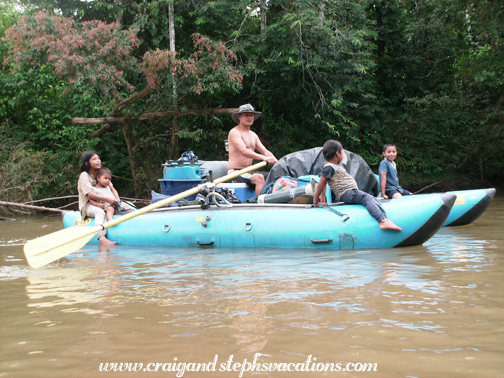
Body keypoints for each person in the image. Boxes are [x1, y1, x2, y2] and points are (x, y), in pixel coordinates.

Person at [313, 140, 402, 231]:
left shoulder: (332, 167)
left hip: (350, 193)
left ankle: (384, 218)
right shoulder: (329, 167)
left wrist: (323, 200)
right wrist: (316, 201)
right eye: (343, 152)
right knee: (367, 198)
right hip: (348, 193)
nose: (343, 156)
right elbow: (321, 184)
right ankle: (382, 221)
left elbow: (324, 184)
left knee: (372, 198)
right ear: (337, 154)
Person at [227, 103, 278, 196]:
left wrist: (278, 164)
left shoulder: (253, 135)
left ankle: (275, 201)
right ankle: (262, 205)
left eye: (251, 115)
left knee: (276, 176)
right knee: (259, 177)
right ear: (239, 116)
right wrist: (264, 158)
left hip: (249, 171)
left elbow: (265, 151)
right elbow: (244, 151)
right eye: (246, 115)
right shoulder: (235, 132)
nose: (249, 117)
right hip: (236, 172)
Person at [78, 151, 118, 245]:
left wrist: (116, 199)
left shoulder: (101, 173)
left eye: (98, 158)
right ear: (87, 163)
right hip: (87, 205)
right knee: (99, 212)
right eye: (94, 159)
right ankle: (101, 238)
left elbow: (111, 188)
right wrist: (108, 200)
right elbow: (90, 195)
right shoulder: (84, 176)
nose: (98, 161)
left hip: (104, 203)